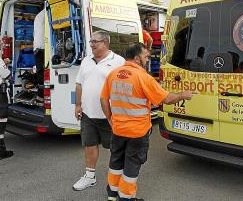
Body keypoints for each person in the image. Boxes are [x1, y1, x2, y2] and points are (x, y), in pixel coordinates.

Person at [100, 42, 198, 201]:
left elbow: (103, 100)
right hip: (137, 132)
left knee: (116, 161)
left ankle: (112, 194)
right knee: (132, 164)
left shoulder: (114, 74)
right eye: (146, 57)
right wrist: (183, 95)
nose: (147, 60)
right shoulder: (143, 77)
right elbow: (166, 99)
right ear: (138, 58)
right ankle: (125, 197)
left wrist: (111, 119)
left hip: (118, 129)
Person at [72, 31, 125, 191]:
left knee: (114, 148)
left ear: (106, 43)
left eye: (95, 41)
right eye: (91, 41)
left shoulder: (118, 61)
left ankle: (118, 178)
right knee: (89, 144)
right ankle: (90, 176)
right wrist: (77, 105)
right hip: (88, 113)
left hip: (109, 115)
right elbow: (79, 84)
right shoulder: (86, 60)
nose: (92, 44)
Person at [33, 9, 45, 96]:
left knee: (40, 72)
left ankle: (40, 94)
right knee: (43, 72)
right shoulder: (45, 13)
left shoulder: (38, 16)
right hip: (42, 48)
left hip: (37, 48)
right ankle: (41, 94)